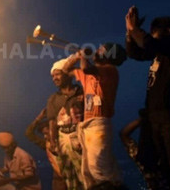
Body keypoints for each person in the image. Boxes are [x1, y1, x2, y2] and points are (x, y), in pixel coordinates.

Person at [125, 6, 170, 189]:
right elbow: (136, 52)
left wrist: (135, 31)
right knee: (161, 166)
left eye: (155, 32)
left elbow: (149, 44)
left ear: (168, 32)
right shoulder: (158, 53)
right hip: (154, 117)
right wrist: (130, 34)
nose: (152, 36)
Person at [62, 42, 127, 189]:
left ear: (108, 56)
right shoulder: (90, 73)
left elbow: (86, 68)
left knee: (99, 170)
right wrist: (77, 56)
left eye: (100, 49)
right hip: (90, 125)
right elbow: (66, 70)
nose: (96, 51)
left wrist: (84, 56)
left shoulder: (110, 70)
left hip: (99, 124)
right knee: (89, 172)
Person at [46, 58, 84, 190]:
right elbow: (52, 122)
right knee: (70, 178)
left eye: (58, 74)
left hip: (80, 138)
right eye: (53, 76)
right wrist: (53, 141)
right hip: (64, 141)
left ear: (67, 74)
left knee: (86, 175)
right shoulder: (53, 99)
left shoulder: (81, 93)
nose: (55, 78)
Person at [120, 109, 170, 190]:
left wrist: (142, 120)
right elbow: (124, 134)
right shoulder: (169, 155)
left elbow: (124, 134)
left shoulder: (143, 159)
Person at [25, 108, 66, 190]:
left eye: (47, 133)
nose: (45, 137)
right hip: (58, 180)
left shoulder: (64, 142)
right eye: (44, 134)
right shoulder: (47, 145)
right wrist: (39, 118)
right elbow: (29, 133)